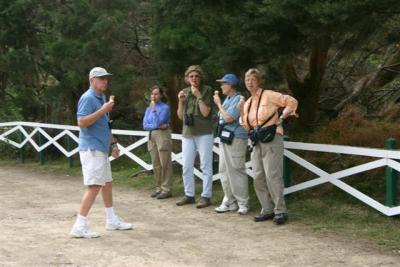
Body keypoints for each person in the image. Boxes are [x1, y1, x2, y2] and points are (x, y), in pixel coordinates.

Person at [70, 67, 133, 238]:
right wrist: (103, 110)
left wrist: (113, 143)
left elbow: (105, 124)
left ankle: (111, 219)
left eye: (106, 78)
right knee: (95, 186)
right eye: (101, 78)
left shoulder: (102, 97)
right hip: (92, 148)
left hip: (101, 147)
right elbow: (81, 122)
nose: (105, 81)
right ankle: (79, 225)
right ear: (92, 80)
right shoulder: (88, 97)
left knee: (107, 183)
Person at [237, 68, 298, 225]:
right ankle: (267, 209)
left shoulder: (269, 95)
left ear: (258, 81)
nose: (250, 82)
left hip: (272, 139)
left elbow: (291, 101)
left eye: (253, 79)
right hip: (257, 142)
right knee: (257, 176)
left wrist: (283, 117)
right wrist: (241, 112)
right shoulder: (248, 103)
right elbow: (247, 127)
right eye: (247, 80)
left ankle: (280, 210)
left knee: (273, 176)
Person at [176, 65, 214, 208]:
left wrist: (198, 96)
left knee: (205, 165)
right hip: (187, 133)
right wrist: (180, 101)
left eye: (197, 76)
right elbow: (180, 116)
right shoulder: (184, 92)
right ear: (187, 78)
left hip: (204, 132)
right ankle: (189, 195)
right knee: (186, 165)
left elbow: (205, 113)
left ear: (200, 78)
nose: (194, 79)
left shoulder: (207, 90)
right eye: (191, 76)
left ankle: (206, 196)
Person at [213, 74, 249, 215]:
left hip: (236, 138)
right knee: (223, 170)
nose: (221, 86)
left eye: (223, 83)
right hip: (225, 138)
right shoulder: (227, 99)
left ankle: (243, 203)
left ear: (231, 85)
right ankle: (230, 201)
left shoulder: (239, 99)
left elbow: (229, 118)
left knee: (236, 169)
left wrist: (218, 104)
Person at [143, 85, 173, 199]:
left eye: (156, 94)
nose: (153, 96)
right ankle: (158, 188)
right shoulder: (147, 109)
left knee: (165, 162)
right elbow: (145, 125)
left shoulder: (164, 108)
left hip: (162, 135)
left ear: (160, 95)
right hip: (151, 135)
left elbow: (158, 122)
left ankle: (167, 189)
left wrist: (154, 111)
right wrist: (156, 125)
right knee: (155, 163)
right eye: (152, 94)